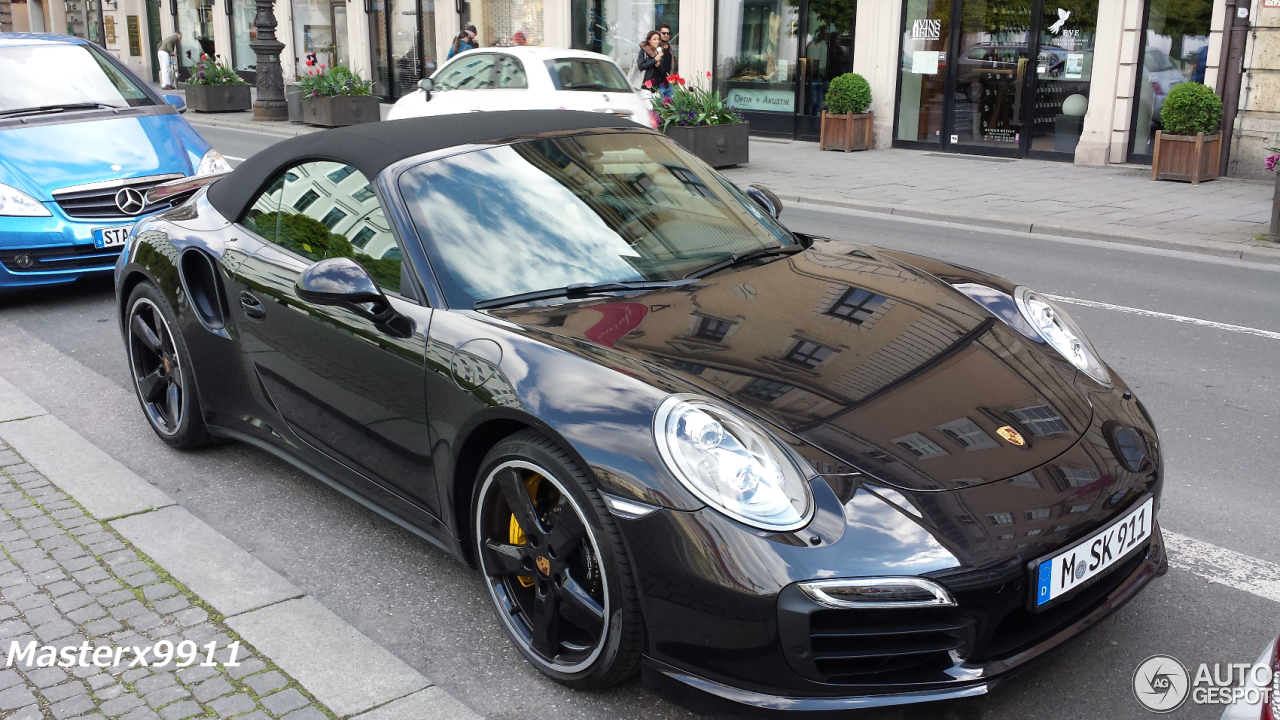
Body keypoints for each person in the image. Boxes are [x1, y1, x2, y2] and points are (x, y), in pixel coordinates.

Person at [637, 30, 668, 98]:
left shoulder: (659, 52)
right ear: (649, 40)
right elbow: (641, 66)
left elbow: (663, 72)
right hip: (644, 87)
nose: (657, 41)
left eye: (658, 39)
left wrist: (658, 65)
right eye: (654, 39)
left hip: (656, 88)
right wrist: (654, 60)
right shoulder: (643, 51)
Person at [657, 24, 675, 99]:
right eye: (664, 33)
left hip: (669, 82)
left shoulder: (670, 47)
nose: (666, 35)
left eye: (668, 33)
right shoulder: (657, 47)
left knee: (670, 106)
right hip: (659, 82)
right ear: (659, 33)